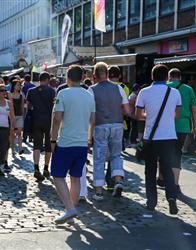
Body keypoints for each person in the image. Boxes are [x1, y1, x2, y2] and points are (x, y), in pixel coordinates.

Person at [50, 65, 95, 224]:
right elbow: (93, 121)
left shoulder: (63, 93)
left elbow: (56, 120)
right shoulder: (89, 95)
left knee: (57, 175)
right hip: (82, 143)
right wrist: (89, 140)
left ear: (67, 78)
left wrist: (52, 140)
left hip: (65, 142)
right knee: (76, 178)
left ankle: (70, 209)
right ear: (82, 78)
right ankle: (71, 213)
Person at [135, 64, 181, 215]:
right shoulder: (175, 93)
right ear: (167, 77)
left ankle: (151, 202)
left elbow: (138, 115)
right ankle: (172, 198)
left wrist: (150, 117)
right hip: (169, 136)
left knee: (150, 170)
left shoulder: (144, 92)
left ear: (152, 76)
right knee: (167, 169)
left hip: (151, 137)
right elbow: (176, 115)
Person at [88, 62, 129, 201]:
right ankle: (118, 180)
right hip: (117, 124)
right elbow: (127, 110)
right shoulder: (119, 88)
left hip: (100, 125)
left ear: (95, 75)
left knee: (99, 158)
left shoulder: (91, 90)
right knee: (116, 155)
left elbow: (90, 112)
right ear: (107, 73)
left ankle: (99, 191)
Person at [157, 69, 196, 194]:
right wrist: (195, 127)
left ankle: (161, 178)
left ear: (169, 77)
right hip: (183, 125)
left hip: (165, 125)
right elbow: (194, 110)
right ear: (180, 77)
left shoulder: (163, 87)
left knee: (163, 151)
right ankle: (175, 184)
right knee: (177, 153)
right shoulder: (188, 89)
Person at [26, 72, 55, 181]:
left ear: (39, 80)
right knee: (48, 145)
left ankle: (36, 168)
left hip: (36, 120)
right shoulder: (52, 91)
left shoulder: (31, 91)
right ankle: (46, 168)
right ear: (47, 80)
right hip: (48, 121)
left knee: (36, 145)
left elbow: (28, 106)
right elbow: (55, 106)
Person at [10, 79, 25, 154]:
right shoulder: (10, 95)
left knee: (19, 133)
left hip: (19, 116)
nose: (19, 86)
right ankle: (12, 149)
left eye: (20, 85)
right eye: (18, 85)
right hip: (12, 117)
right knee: (12, 134)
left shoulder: (21, 95)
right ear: (14, 86)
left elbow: (22, 106)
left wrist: (23, 115)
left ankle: (20, 148)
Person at [22, 74, 35, 143]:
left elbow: (23, 97)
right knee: (32, 122)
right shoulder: (33, 86)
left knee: (26, 122)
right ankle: (31, 137)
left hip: (25, 105)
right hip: (32, 106)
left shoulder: (23, 87)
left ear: (24, 79)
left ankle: (24, 137)